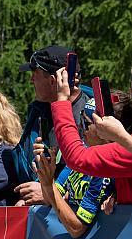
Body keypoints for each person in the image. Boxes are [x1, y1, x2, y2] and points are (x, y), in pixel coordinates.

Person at [14, 45, 89, 205]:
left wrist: (49, 192)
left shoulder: (90, 118)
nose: (31, 79)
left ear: (54, 80)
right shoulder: (40, 112)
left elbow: (96, 177)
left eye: (35, 73)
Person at [34, 99, 114, 237]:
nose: (81, 127)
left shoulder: (104, 168)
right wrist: (45, 172)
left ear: (106, 130)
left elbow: (77, 228)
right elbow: (49, 199)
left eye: (86, 123)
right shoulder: (83, 151)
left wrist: (49, 185)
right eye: (81, 119)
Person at [51, 68, 132, 203]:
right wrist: (117, 193)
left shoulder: (125, 149)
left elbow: (77, 158)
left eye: (88, 122)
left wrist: (61, 101)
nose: (83, 129)